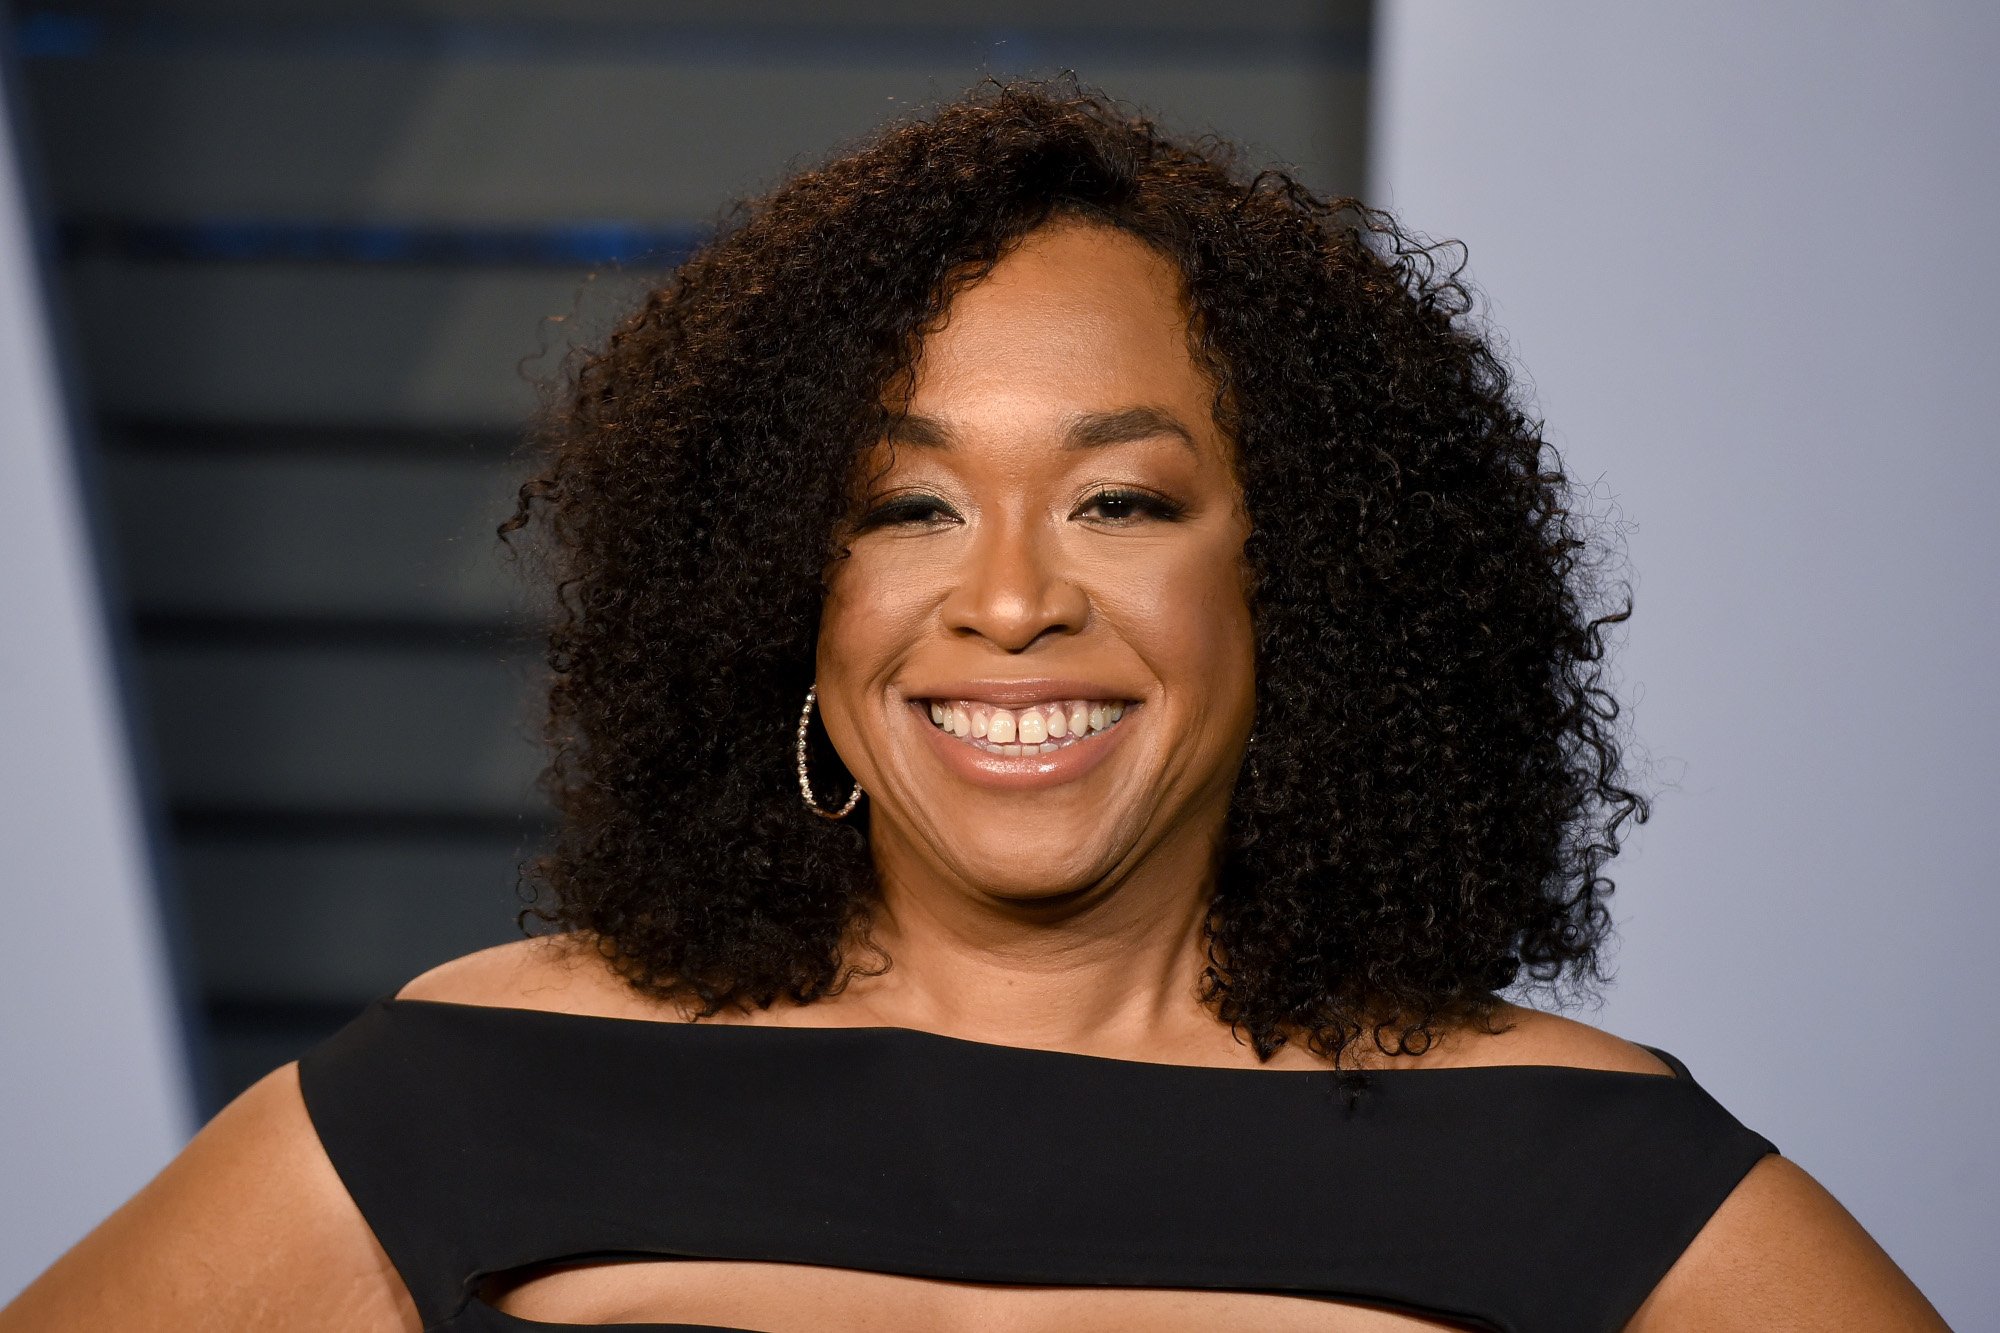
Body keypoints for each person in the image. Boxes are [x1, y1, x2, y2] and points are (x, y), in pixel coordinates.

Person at [1, 78, 1948, 1333]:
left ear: (1296, 579)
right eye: (904, 506)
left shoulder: (1580, 1172)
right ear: (788, 596)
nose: (1010, 600)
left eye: (1121, 501)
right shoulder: (473, 1098)